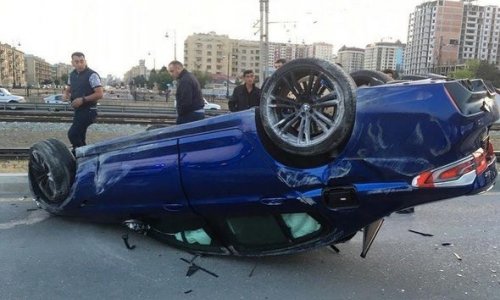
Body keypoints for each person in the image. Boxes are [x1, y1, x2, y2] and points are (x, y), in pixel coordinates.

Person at [64, 52, 103, 153]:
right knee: (80, 136)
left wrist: (82, 99)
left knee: (72, 134)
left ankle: (81, 154)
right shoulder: (72, 75)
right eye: (76, 62)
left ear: (85, 61)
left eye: (82, 61)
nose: (80, 64)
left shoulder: (92, 75)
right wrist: (66, 94)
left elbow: (99, 94)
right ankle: (83, 154)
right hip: (78, 111)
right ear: (72, 63)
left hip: (89, 110)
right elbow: (69, 88)